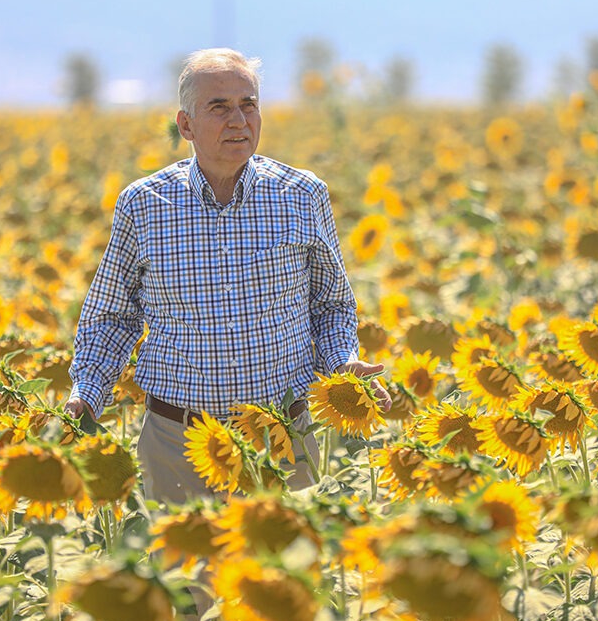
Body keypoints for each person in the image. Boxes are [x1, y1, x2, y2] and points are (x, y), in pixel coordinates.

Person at [64, 47, 390, 505]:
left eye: (248, 105)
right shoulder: (145, 205)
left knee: (282, 571)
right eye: (219, 107)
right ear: (186, 126)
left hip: (281, 436)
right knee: (185, 576)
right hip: (178, 441)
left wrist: (342, 362)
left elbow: (329, 304)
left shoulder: (301, 195)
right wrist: (86, 395)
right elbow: (113, 316)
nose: (238, 119)